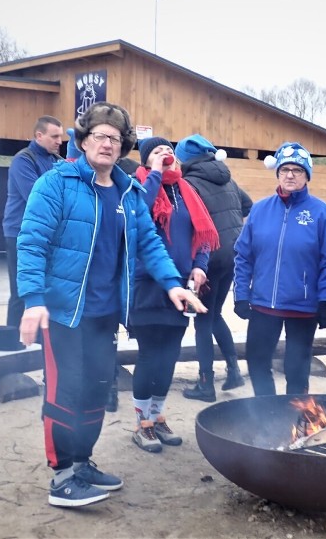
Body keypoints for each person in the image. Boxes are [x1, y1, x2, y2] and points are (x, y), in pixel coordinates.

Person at [17, 102, 206, 508]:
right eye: (99, 136)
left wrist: (173, 284)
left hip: (105, 313)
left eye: (115, 139)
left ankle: (82, 462)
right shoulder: (56, 183)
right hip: (64, 311)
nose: (106, 143)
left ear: (123, 148)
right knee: (65, 391)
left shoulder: (129, 192)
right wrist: (33, 300)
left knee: (97, 388)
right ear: (82, 141)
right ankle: (62, 475)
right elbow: (31, 242)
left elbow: (149, 243)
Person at [127, 136, 219, 452]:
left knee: (169, 357)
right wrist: (153, 173)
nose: (165, 153)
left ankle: (157, 416)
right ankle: (142, 424)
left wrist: (200, 266)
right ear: (144, 160)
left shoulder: (186, 191)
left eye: (168, 149)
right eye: (156, 151)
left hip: (181, 288)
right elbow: (139, 214)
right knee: (150, 356)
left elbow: (203, 235)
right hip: (146, 285)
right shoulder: (135, 186)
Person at [233, 142, 326, 396]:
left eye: (297, 170)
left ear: (307, 176)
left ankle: (296, 420)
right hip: (263, 304)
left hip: (302, 307)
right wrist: (241, 295)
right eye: (285, 170)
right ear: (278, 173)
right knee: (257, 362)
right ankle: (267, 417)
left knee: (296, 369)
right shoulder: (260, 210)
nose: (290, 175)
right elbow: (243, 256)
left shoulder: (321, 212)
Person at [177, 134, 254, 402]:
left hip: (208, 257)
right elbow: (248, 205)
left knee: (202, 321)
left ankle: (205, 385)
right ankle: (234, 371)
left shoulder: (189, 183)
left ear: (184, 159)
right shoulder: (228, 179)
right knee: (214, 314)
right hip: (233, 254)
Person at [3, 115, 63, 329]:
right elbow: (35, 198)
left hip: (47, 233)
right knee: (21, 291)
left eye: (61, 137)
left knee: (44, 290)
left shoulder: (56, 161)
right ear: (39, 135)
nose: (59, 141)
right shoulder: (23, 160)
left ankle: (39, 342)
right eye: (54, 136)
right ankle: (11, 345)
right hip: (20, 232)